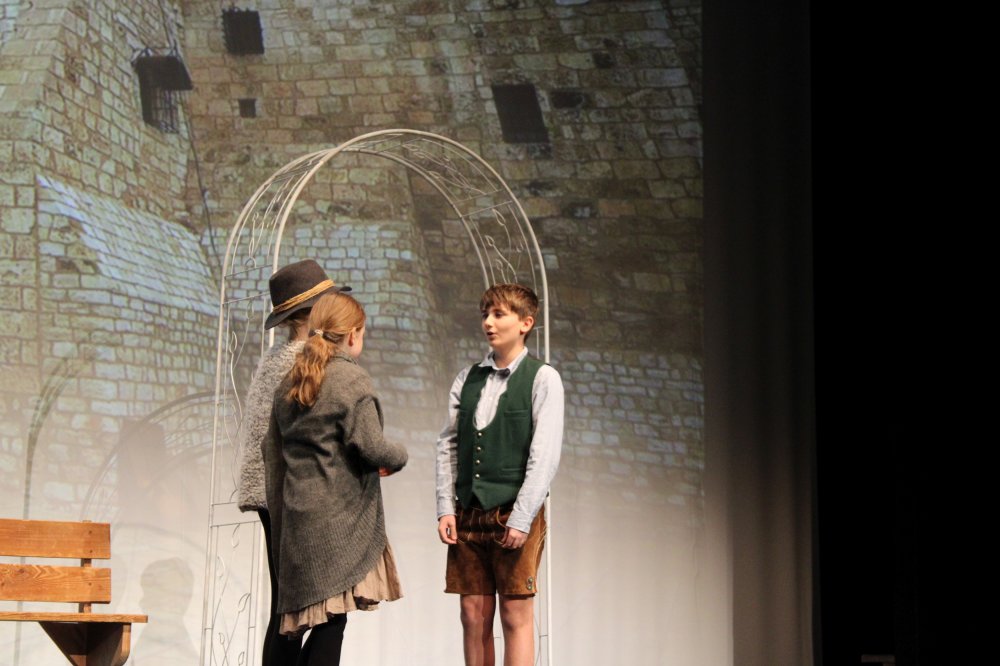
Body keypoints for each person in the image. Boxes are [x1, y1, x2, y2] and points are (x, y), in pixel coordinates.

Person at [263, 291, 408, 666]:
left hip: (298, 518)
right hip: (336, 520)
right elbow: (371, 446)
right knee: (332, 621)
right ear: (353, 334)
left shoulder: (290, 383)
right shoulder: (350, 380)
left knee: (298, 625)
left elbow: (271, 454)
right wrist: (400, 455)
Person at [435, 283, 564, 666]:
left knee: (513, 613)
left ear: (525, 322)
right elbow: (448, 444)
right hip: (469, 511)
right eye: (485, 315)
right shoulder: (468, 378)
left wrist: (522, 517)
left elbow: (544, 455)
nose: (488, 323)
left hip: (513, 510)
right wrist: (445, 507)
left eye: (498, 315)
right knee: (472, 614)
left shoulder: (542, 378)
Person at [235, 259, 352, 666]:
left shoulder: (276, 359)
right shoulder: (305, 362)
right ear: (316, 310)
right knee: (326, 611)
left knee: (288, 611)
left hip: (276, 494)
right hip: (297, 496)